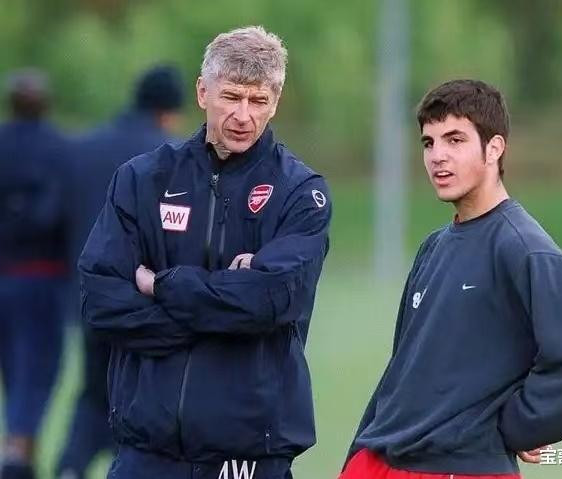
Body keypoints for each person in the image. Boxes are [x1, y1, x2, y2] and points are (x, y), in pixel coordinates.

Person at [79, 26, 331, 479]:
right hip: (146, 453)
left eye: (258, 100)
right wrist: (224, 316)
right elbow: (101, 300)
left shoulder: (300, 192)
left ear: (275, 102)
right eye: (231, 96)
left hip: (249, 457)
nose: (243, 115)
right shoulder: (142, 179)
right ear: (202, 92)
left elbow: (271, 299)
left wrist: (162, 285)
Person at [340, 79, 562, 479]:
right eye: (429, 143)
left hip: (459, 467)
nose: (438, 156)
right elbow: (401, 374)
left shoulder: (524, 248)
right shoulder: (433, 247)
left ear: (494, 148)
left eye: (455, 139)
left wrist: (521, 427)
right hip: (381, 461)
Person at [56, 64, 185, 479]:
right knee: (136, 397)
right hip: (145, 302)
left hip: (90, 296)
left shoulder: (83, 148)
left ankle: (71, 466)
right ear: (168, 110)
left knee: (93, 391)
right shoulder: (172, 157)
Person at [0, 69, 70, 479]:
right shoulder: (59, 149)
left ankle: (19, 450)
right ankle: (18, 455)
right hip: (42, 277)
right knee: (37, 369)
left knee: (14, 369)